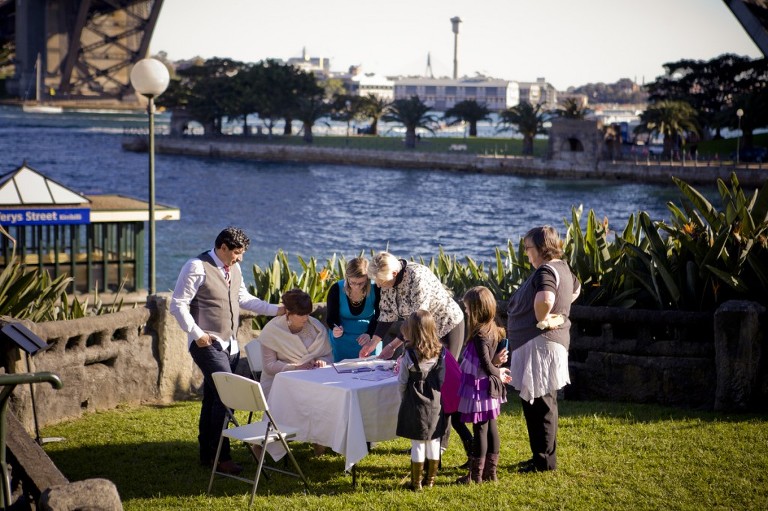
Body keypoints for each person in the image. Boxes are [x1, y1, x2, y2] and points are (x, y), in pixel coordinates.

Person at [170, 227, 284, 476]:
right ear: (223, 247)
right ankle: (222, 457)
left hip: (230, 345)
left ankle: (207, 455)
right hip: (206, 345)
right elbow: (177, 304)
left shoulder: (235, 268)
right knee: (226, 397)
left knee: (213, 398)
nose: (240, 258)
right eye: (237, 252)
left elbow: (243, 299)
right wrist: (197, 334)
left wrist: (277, 310)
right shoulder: (196, 266)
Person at [364, 251, 473, 466]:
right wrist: (374, 343)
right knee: (425, 385)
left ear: (395, 272)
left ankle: (441, 443)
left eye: (381, 280)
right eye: (375, 280)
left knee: (442, 385)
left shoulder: (417, 277)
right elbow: (386, 315)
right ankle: (429, 437)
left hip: (446, 326)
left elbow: (418, 323)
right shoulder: (386, 283)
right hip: (419, 331)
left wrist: (395, 347)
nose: (378, 284)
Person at [506, 225, 581, 473]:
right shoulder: (563, 268)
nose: (526, 253)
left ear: (541, 248)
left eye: (528, 248)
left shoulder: (546, 271)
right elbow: (576, 289)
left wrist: (544, 317)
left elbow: (546, 299)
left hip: (541, 345)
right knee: (536, 403)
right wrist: (559, 308)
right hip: (541, 345)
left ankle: (544, 462)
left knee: (542, 404)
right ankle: (540, 456)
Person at [456, 286, 511, 484]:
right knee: (491, 427)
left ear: (477, 309)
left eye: (468, 308)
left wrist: (499, 372)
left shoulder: (480, 334)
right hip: (491, 386)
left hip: (481, 387)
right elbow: (493, 362)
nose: (466, 311)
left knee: (480, 429)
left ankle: (476, 476)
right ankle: (491, 473)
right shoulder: (495, 329)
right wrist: (499, 371)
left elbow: (487, 365)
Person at [395, 310, 446, 491]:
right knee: (434, 439)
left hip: (414, 400)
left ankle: (416, 483)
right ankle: (430, 480)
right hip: (435, 401)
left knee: (417, 442)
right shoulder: (440, 351)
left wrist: (403, 400)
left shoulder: (408, 355)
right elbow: (443, 377)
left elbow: (402, 382)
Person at [258, 289, 333, 399]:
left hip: (313, 380)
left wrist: (322, 361)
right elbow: (269, 366)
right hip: (280, 384)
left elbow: (328, 355)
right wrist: (295, 367)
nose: (305, 318)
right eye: (301, 314)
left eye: (307, 313)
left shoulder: (316, 328)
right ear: (288, 312)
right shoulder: (272, 330)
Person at [325, 257, 381, 361]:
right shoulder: (336, 289)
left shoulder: (375, 288)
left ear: (368, 279)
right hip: (342, 338)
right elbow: (330, 317)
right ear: (347, 277)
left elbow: (380, 316)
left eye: (361, 283)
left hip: (367, 336)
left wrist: (370, 333)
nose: (356, 287)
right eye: (352, 282)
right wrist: (335, 328)